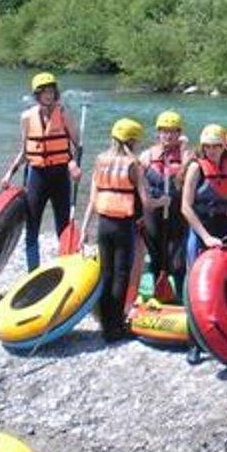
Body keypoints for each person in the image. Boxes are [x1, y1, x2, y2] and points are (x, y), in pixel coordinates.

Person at [2, 72, 83, 271]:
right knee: (32, 227)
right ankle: (33, 271)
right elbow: (25, 150)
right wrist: (9, 173)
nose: (48, 95)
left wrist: (73, 164)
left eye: (51, 91)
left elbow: (78, 145)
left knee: (63, 225)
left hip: (59, 175)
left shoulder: (64, 114)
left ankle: (66, 267)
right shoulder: (26, 118)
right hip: (36, 175)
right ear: (37, 95)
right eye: (44, 92)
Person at [81, 119, 147, 342]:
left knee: (106, 273)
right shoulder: (133, 164)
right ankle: (116, 326)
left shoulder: (101, 160)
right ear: (132, 141)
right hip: (123, 226)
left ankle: (105, 324)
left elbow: (93, 199)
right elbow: (146, 201)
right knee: (121, 275)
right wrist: (163, 201)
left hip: (103, 224)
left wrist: (84, 229)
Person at [139, 110, 189, 299]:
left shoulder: (186, 155)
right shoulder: (147, 155)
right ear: (158, 132)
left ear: (179, 133)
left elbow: (190, 177)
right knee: (155, 256)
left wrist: (184, 152)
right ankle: (156, 292)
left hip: (176, 213)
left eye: (173, 131)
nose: (168, 135)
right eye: (164, 131)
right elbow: (137, 183)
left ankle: (181, 295)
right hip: (153, 212)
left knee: (177, 260)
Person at [179, 124, 227, 267]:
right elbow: (185, 207)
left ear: (223, 147)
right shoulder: (196, 168)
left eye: (216, 146)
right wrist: (206, 237)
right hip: (200, 228)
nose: (211, 150)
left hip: (223, 226)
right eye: (207, 146)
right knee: (197, 269)